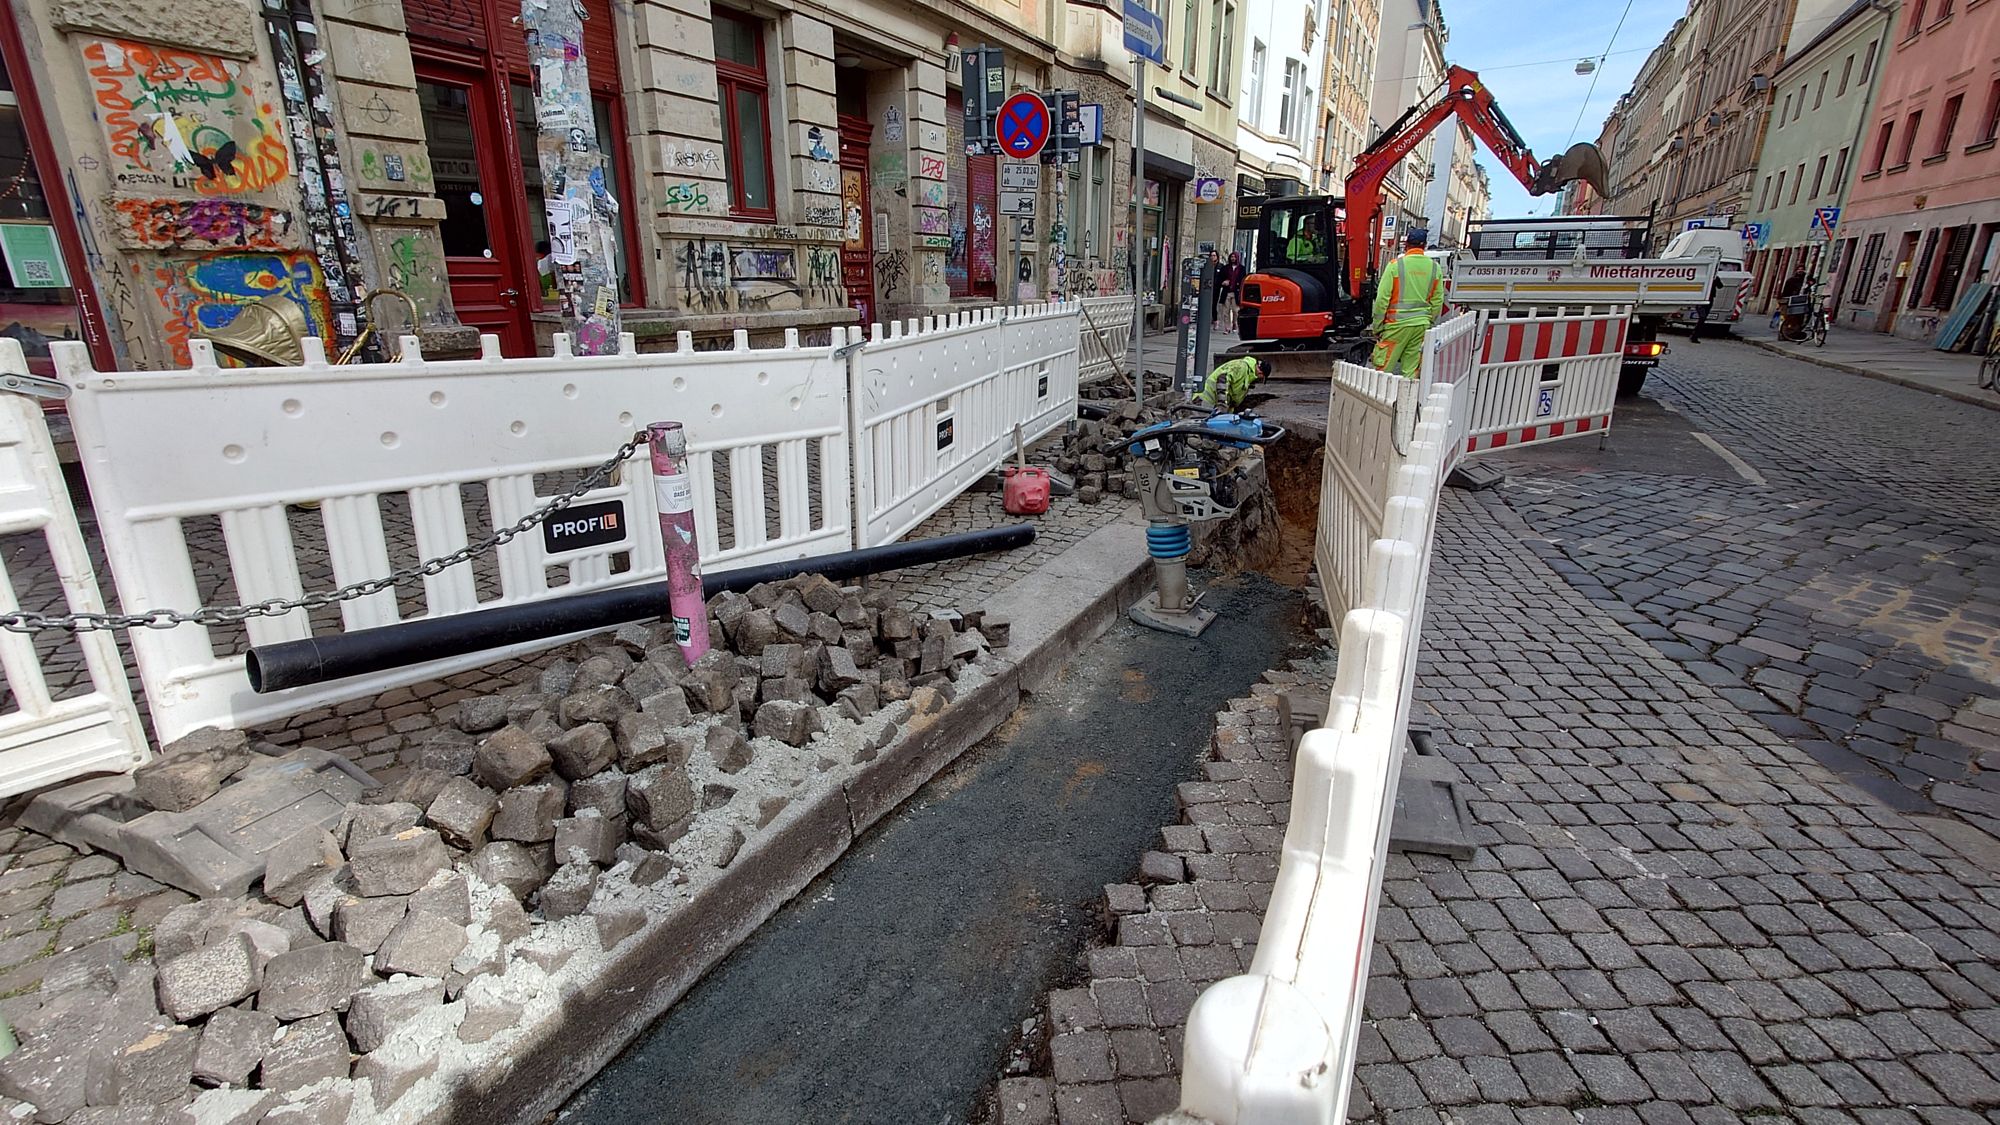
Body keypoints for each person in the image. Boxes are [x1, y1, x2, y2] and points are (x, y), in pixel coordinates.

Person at [1369, 227, 1445, 378]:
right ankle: (1407, 399)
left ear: (1406, 244)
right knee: (1411, 370)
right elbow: (1438, 301)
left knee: (1382, 370)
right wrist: (1429, 320)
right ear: (1425, 246)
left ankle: (1381, 400)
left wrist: (1377, 326)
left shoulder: (1395, 265)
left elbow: (1382, 300)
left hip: (1396, 325)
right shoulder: (1435, 268)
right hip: (1420, 325)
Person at [1196, 354, 1272, 412]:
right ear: (1261, 373)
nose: (1259, 379)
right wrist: (1222, 404)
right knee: (1200, 428)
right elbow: (1223, 379)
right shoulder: (1241, 366)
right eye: (1261, 378)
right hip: (1205, 401)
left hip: (1213, 403)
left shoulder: (1248, 375)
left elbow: (1233, 394)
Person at [1778, 266, 1809, 339]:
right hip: (1791, 302)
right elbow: (1786, 292)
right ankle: (1783, 334)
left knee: (1799, 319)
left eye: (1802, 270)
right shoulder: (1791, 280)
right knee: (1787, 319)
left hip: (1802, 302)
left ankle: (1795, 333)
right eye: (1799, 269)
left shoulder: (1805, 280)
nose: (1800, 271)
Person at [1217, 251, 1246, 328]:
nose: (1233, 258)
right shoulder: (1225, 268)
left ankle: (1234, 323)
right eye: (1232, 257)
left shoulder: (1242, 269)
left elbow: (1243, 280)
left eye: (1234, 257)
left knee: (1235, 310)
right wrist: (1223, 282)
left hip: (1236, 292)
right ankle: (1227, 327)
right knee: (1226, 311)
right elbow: (1219, 279)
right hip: (1227, 291)